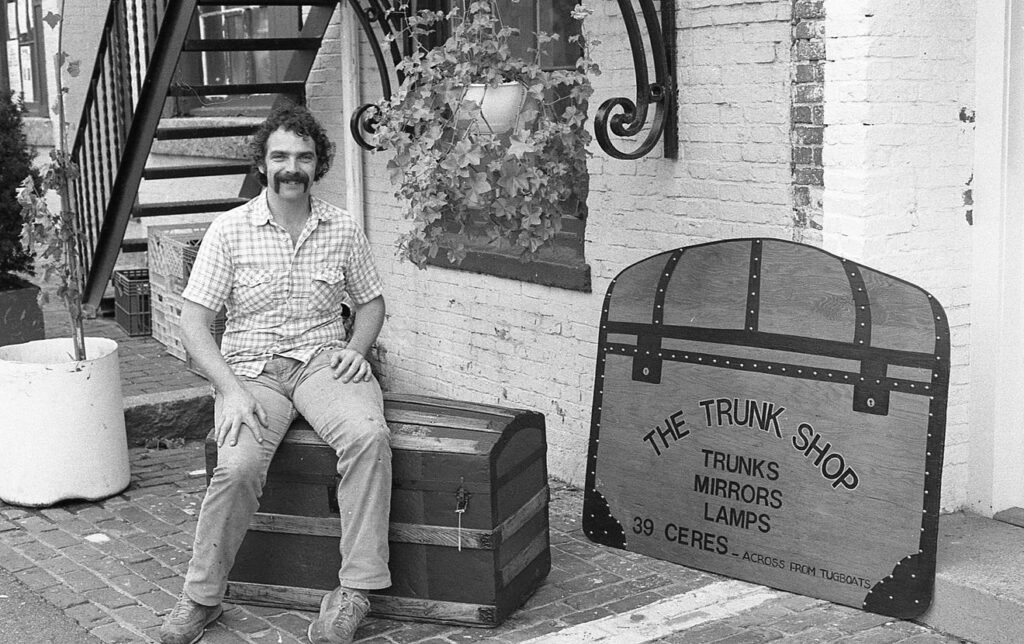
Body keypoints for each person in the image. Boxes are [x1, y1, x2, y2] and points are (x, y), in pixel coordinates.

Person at [159, 105, 391, 644]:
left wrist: (357, 348)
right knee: (237, 466)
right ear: (262, 164)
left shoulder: (341, 227)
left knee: (368, 437)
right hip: (251, 373)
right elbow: (193, 323)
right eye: (280, 156)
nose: (292, 168)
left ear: (318, 165)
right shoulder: (230, 230)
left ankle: (354, 591)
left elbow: (371, 303)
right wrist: (230, 391)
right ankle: (201, 598)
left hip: (322, 362)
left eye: (304, 157)